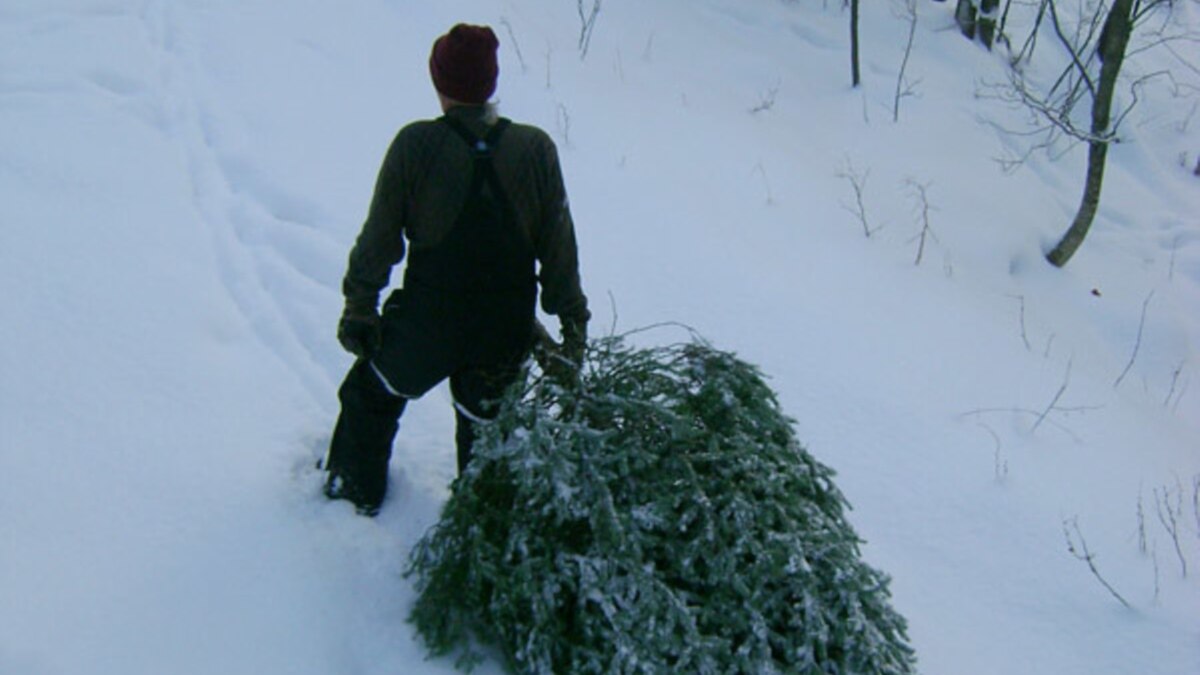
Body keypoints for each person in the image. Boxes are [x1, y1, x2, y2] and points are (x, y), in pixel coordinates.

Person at [323, 23, 589, 516]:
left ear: (439, 82)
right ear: (491, 83)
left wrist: (360, 307)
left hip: (427, 326)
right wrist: (573, 330)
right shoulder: (535, 150)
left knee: (369, 397)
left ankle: (348, 507)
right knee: (487, 438)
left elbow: (379, 240)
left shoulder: (416, 146)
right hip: (503, 334)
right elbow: (560, 250)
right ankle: (479, 536)